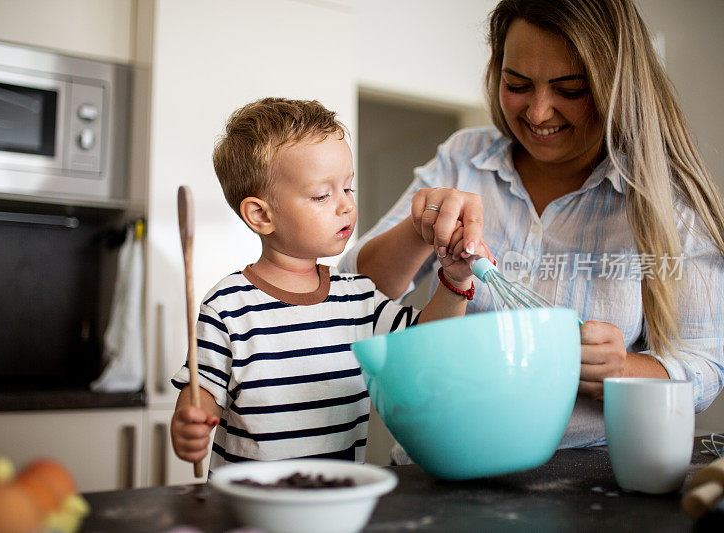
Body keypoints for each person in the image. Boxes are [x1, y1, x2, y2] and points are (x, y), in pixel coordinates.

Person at [341, 0, 724, 461]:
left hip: (586, 482)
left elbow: (707, 364)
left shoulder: (667, 200)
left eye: (570, 89)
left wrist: (623, 368)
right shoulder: (465, 158)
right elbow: (355, 290)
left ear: (617, 86)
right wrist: (417, 229)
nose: (539, 113)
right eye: (517, 85)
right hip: (442, 470)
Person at [169, 97, 487, 473]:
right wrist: (189, 423)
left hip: (333, 502)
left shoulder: (358, 297)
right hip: (248, 508)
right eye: (323, 195)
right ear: (260, 214)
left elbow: (430, 345)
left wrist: (454, 280)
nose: (346, 206)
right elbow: (201, 392)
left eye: (348, 189)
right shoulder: (227, 306)